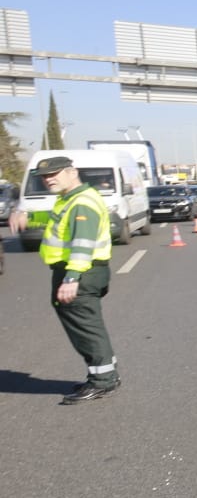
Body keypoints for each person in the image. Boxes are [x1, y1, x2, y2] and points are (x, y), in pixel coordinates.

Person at [7, 156, 121, 403]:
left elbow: (83, 244)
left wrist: (71, 278)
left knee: (86, 327)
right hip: (78, 271)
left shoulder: (82, 203)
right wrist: (29, 218)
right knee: (86, 325)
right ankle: (105, 374)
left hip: (80, 272)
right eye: (45, 177)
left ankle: (103, 381)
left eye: (54, 174)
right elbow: (55, 220)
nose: (49, 180)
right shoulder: (70, 199)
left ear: (72, 172)